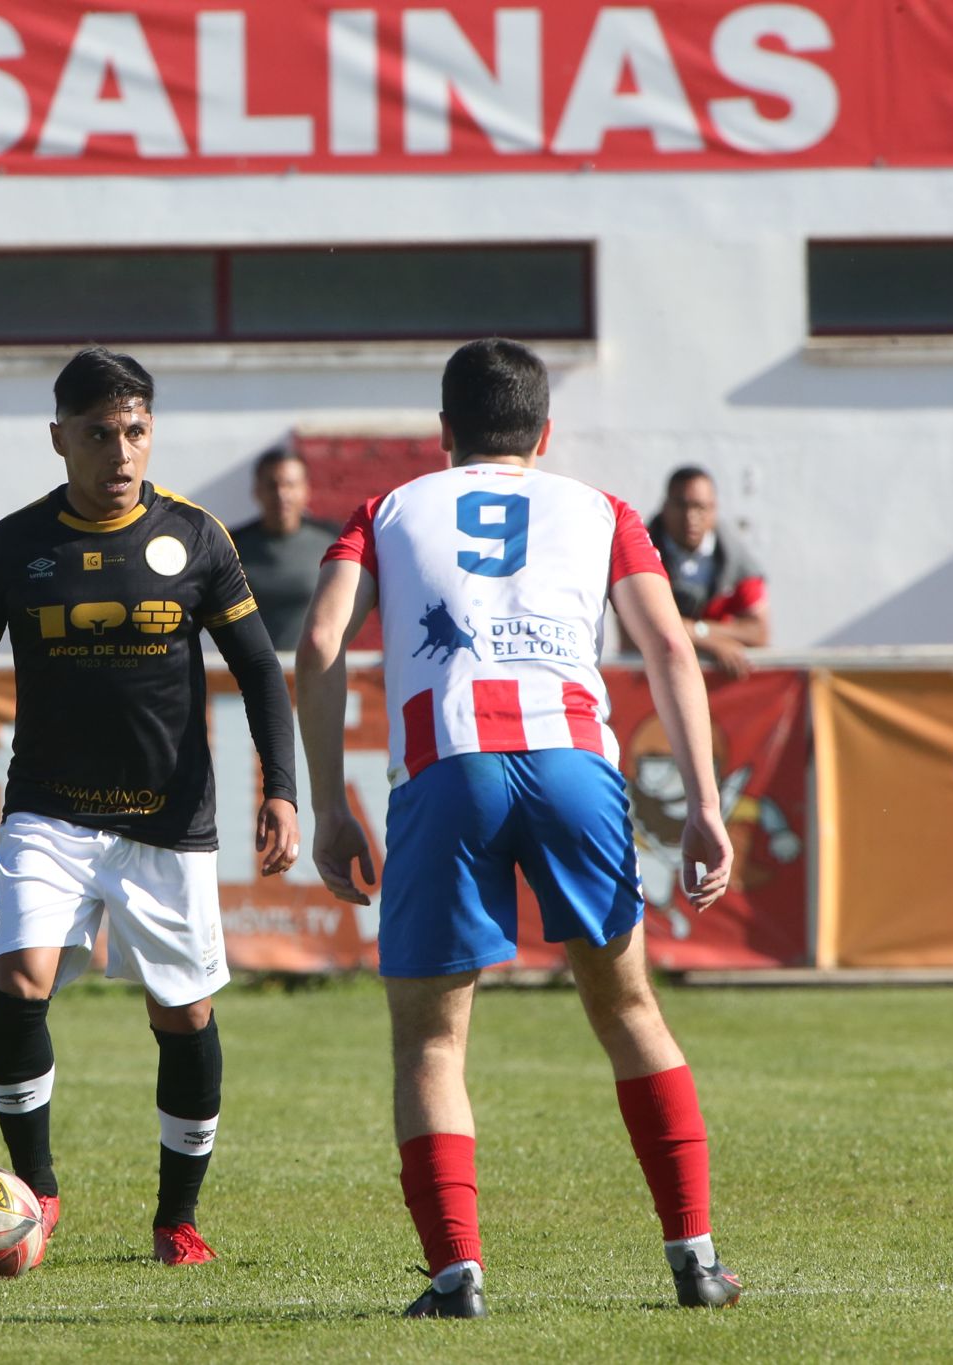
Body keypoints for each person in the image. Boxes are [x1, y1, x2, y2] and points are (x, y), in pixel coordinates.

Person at [294, 339, 741, 1318]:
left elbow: (320, 641)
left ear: (442, 431)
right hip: (573, 763)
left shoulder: (386, 508)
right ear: (543, 433)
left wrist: (328, 805)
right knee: (628, 1009)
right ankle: (695, 1258)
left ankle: (455, 1275)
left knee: (431, 1040)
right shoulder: (603, 509)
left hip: (447, 764)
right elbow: (669, 646)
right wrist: (705, 805)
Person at [0, 348, 299, 1266]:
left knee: (184, 1016)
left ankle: (178, 1219)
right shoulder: (15, 547)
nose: (119, 452)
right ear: (59, 438)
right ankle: (36, 1192)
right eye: (98, 434)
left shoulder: (197, 537)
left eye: (134, 431)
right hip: (49, 812)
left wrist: (281, 787)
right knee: (20, 981)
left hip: (167, 821)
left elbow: (259, 668)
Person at [644, 467, 769, 679]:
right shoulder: (640, 554)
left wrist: (696, 631)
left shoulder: (737, 561)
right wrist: (710, 643)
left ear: (714, 509)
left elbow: (759, 633)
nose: (690, 517)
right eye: (681, 505)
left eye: (699, 507)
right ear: (665, 507)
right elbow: (636, 630)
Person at [227, 446, 340, 650]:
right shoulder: (230, 546)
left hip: (312, 666)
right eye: (272, 485)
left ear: (305, 490)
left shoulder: (333, 542)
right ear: (257, 491)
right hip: (250, 667)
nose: (281, 494)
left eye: (290, 485)